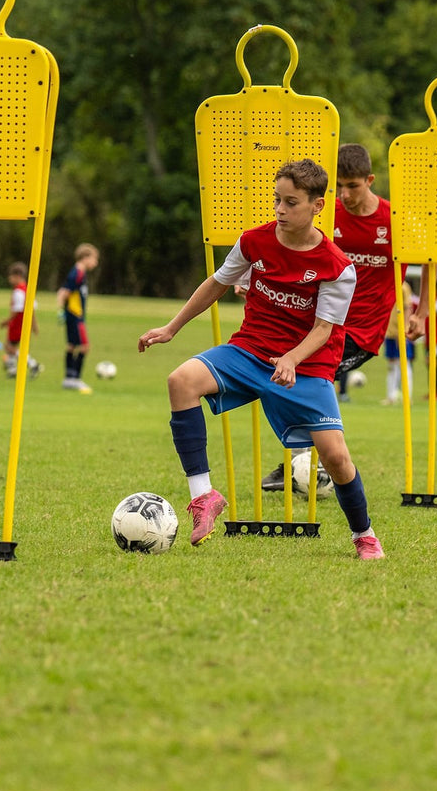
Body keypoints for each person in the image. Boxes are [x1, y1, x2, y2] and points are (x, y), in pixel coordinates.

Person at [138, 158, 385, 558]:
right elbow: (218, 282)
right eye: (277, 200)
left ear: (317, 206)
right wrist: (171, 328)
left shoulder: (337, 266)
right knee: (180, 381)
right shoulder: (254, 241)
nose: (280, 210)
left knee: (337, 457)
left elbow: (324, 330)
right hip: (250, 350)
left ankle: (363, 534)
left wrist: (290, 359)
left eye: (291, 202)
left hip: (307, 366)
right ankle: (204, 497)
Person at [261, 143, 399, 490]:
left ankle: (304, 466)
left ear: (370, 180)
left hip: (364, 330)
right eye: (340, 186)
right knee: (290, 380)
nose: (346, 194)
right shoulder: (329, 214)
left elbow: (427, 259)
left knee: (306, 380)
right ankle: (305, 465)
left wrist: (421, 311)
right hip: (324, 323)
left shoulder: (392, 220)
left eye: (353, 185)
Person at [57, 243, 100, 394]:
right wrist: (61, 310)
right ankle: (75, 379)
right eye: (94, 259)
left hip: (72, 315)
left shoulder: (77, 272)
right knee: (84, 346)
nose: (96, 263)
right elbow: (63, 292)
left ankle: (68, 378)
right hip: (76, 316)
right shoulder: (78, 273)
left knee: (71, 345)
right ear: (85, 257)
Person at [410, 273, 437, 400]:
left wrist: (423, 307)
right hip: (429, 336)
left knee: (431, 361)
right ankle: (434, 391)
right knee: (430, 363)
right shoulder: (432, 297)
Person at [0, 261, 43, 379]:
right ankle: (13, 369)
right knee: (10, 345)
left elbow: (17, 310)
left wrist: (6, 321)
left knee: (9, 347)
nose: (9, 279)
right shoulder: (28, 289)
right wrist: (34, 325)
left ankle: (33, 364)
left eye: (11, 276)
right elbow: (32, 309)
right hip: (25, 324)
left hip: (18, 324)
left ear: (17, 276)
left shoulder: (18, 291)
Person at [382, 278, 415, 405]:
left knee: (404, 363)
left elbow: (408, 308)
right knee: (391, 364)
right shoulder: (390, 283)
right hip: (389, 331)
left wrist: (404, 328)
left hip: (399, 331)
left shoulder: (403, 287)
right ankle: (391, 396)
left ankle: (407, 397)